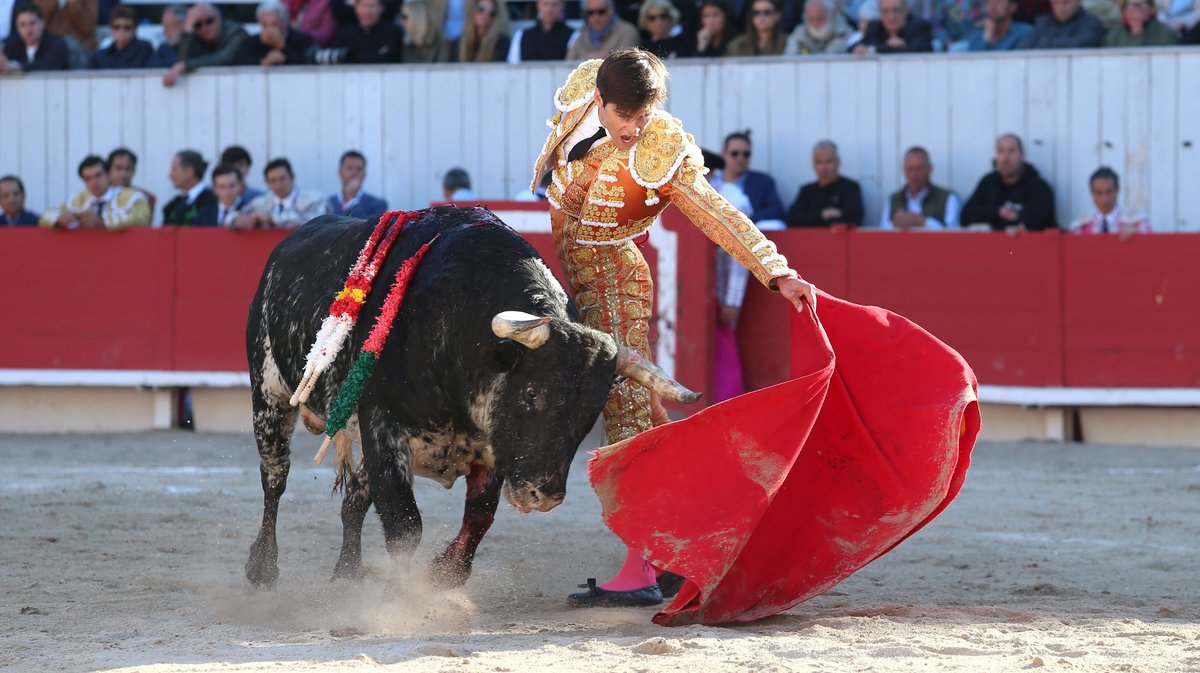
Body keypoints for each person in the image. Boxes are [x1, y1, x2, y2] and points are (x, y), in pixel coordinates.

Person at [531, 49, 815, 608]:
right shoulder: (584, 88)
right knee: (643, 412)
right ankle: (694, 530)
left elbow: (714, 212)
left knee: (627, 413)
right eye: (624, 117)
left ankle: (644, 564)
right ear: (600, 101)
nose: (634, 129)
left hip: (614, 276)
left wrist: (776, 271)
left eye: (643, 116)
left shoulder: (662, 147)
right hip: (578, 279)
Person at [961, 133, 1057, 232]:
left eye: (1011, 151)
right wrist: (998, 212)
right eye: (1001, 151)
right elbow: (965, 217)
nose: (1005, 158)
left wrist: (990, 222)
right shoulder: (988, 182)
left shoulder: (1039, 188)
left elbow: (1029, 224)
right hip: (990, 246)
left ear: (1022, 155)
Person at [40, 155, 151, 230]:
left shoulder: (131, 196)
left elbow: (142, 219)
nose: (94, 182)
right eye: (88, 178)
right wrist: (59, 220)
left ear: (108, 174)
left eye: (98, 175)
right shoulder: (78, 199)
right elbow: (44, 217)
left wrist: (101, 222)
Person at [709, 130, 786, 227]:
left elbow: (777, 210)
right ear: (723, 154)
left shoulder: (762, 181)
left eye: (746, 154)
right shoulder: (710, 181)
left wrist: (747, 217)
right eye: (734, 153)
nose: (741, 158)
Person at [162, 4, 249, 87]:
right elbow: (181, 61)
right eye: (198, 24)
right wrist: (187, 32)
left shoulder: (236, 32)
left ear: (220, 18)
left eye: (209, 21)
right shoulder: (196, 37)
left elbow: (226, 57)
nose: (204, 27)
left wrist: (187, 65)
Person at [786, 140, 864, 228]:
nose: (824, 168)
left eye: (829, 161)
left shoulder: (849, 188)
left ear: (838, 162)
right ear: (813, 165)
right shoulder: (806, 191)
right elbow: (791, 220)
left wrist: (810, 218)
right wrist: (823, 214)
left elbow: (853, 220)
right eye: (819, 162)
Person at [879, 146, 961, 230]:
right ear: (904, 170)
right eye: (910, 169)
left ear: (930, 169)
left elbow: (953, 236)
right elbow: (883, 233)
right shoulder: (893, 200)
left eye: (919, 169)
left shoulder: (948, 198)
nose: (914, 175)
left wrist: (922, 222)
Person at [238, 157, 329, 229]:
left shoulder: (314, 199)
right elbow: (230, 215)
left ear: (292, 178)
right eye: (273, 181)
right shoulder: (259, 203)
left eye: (282, 179)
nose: (278, 185)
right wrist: (238, 220)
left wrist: (272, 219)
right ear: (268, 184)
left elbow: (318, 220)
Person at [1069, 167, 1149, 238]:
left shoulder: (1137, 222)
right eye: (1099, 193)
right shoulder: (1080, 227)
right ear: (1092, 194)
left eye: (1109, 192)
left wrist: (1138, 235)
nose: (1104, 199)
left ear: (1117, 190)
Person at [238, 1, 314, 66]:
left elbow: (305, 62)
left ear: (284, 22)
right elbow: (239, 61)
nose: (269, 30)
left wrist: (281, 45)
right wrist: (264, 61)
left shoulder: (301, 39)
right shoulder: (252, 42)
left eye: (274, 24)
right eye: (265, 26)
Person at [1, 3, 70, 73]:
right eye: (22, 25)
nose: (28, 30)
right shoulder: (12, 45)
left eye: (32, 23)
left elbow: (47, 65)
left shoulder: (57, 44)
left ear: (43, 23)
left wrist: (17, 67)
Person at [566, 0, 640, 60]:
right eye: (590, 13)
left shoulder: (627, 32)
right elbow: (567, 65)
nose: (596, 17)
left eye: (601, 11)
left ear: (611, 10)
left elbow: (624, 62)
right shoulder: (580, 35)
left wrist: (589, 58)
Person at [162, 149, 218, 226]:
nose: (170, 175)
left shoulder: (212, 200)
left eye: (174, 169)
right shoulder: (173, 205)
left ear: (190, 171)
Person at [851, 0, 934, 53]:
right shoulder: (875, 27)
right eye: (885, 11)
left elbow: (916, 51)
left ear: (906, 10)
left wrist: (873, 50)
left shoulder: (920, 26)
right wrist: (886, 46)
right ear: (879, 12)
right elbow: (854, 48)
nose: (891, 17)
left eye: (896, 10)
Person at [328, 150, 388, 218]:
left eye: (359, 169)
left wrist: (352, 199)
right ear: (340, 172)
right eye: (349, 168)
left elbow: (370, 228)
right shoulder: (327, 203)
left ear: (364, 174)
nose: (354, 173)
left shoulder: (378, 205)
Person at [1017, 0, 1104, 47]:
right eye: (1056, 3)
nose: (1061, 8)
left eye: (1065, 2)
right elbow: (1023, 47)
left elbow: (1081, 44)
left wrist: (1044, 45)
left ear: (1079, 1)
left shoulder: (1090, 22)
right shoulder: (1044, 23)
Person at [507, 0, 572, 61]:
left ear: (562, 6)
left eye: (554, 4)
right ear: (538, 5)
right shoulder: (521, 35)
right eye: (545, 4)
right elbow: (513, 66)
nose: (549, 9)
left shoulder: (573, 35)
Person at [784, 0, 852, 54]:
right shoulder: (798, 35)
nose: (815, 23)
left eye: (820, 19)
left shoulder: (846, 34)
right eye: (811, 19)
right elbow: (789, 59)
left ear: (830, 15)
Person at [107, 148, 157, 216]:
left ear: (134, 171)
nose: (123, 174)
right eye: (118, 168)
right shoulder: (97, 196)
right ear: (109, 170)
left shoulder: (146, 197)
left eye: (128, 169)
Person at [964, 0, 1033, 49]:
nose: (993, 6)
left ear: (1012, 7)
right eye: (990, 2)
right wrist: (987, 36)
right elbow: (973, 63)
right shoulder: (978, 35)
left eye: (999, 2)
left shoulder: (1024, 33)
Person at [1103, 0, 1178, 44]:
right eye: (1132, 5)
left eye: (1142, 5)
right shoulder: (1114, 36)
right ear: (1124, 10)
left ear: (1151, 9)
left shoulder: (1164, 34)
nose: (1137, 10)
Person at [211, 163, 252, 228]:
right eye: (222, 187)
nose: (228, 192)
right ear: (214, 189)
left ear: (241, 186)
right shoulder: (204, 214)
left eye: (232, 186)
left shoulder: (251, 211)